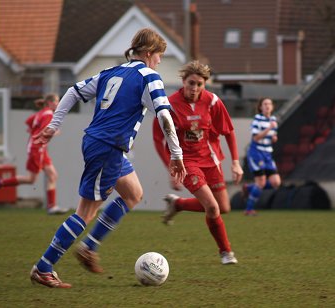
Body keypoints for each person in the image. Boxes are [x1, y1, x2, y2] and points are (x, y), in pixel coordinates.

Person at [29, 28, 186, 288]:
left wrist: (55, 124)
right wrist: (177, 153)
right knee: (86, 211)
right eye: (159, 56)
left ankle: (89, 247)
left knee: (133, 193)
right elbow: (165, 116)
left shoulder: (110, 72)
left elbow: (72, 92)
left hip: (100, 143)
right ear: (149, 54)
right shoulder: (149, 76)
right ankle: (44, 267)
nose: (159, 61)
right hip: (108, 147)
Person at [153, 60, 243, 265]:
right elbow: (158, 138)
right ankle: (226, 253)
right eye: (191, 83)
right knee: (212, 207)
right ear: (183, 82)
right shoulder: (169, 105)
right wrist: (171, 166)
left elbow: (228, 131)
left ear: (205, 85)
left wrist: (235, 162)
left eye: (199, 84)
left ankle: (178, 203)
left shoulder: (212, 102)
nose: (194, 88)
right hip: (187, 162)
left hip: (211, 160)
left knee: (223, 207)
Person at [0, 94, 67, 215]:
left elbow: (29, 123)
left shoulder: (40, 113)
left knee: (53, 175)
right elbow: (45, 131)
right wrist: (55, 132)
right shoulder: (49, 114)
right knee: (31, 179)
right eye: (57, 101)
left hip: (39, 148)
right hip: (37, 148)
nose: (58, 103)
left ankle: (52, 206)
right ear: (50, 103)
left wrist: (33, 131)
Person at [243, 97, 281, 216]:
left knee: (276, 182)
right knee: (261, 182)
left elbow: (272, 137)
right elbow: (256, 138)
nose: (267, 106)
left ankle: (249, 188)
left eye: (269, 104)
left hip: (267, 154)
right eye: (265, 104)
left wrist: (274, 137)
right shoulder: (257, 119)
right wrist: (269, 128)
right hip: (256, 153)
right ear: (260, 107)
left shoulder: (274, 119)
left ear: (272, 106)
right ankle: (249, 209)